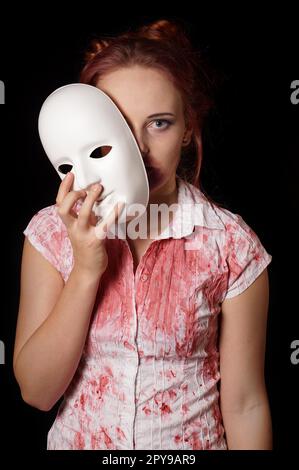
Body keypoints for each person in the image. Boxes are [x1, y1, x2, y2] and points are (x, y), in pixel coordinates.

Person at [13, 19, 273, 450]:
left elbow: (246, 404)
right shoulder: (51, 234)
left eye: (159, 123)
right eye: (119, 126)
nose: (139, 149)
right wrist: (85, 270)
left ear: (188, 127)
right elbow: (37, 392)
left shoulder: (231, 245)